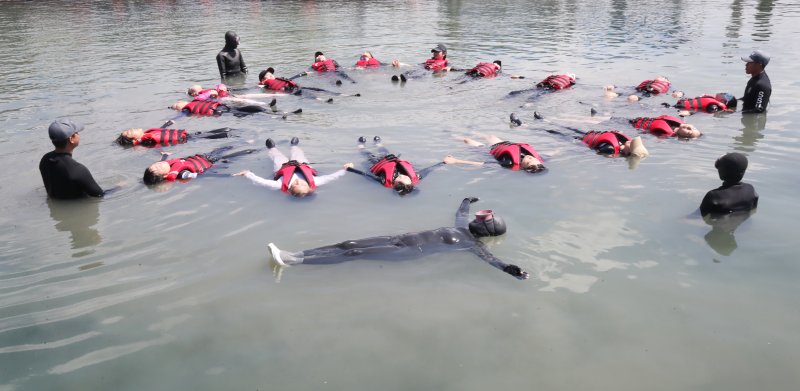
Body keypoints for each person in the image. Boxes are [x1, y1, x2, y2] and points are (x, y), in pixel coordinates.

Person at [266, 197, 530, 280]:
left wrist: (511, 269)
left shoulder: (473, 245)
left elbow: (492, 260)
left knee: (353, 254)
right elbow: (461, 213)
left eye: (482, 219)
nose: (476, 218)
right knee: (348, 244)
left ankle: (294, 263)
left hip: (405, 252)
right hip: (398, 239)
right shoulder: (462, 227)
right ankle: (297, 253)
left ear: (487, 229)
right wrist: (466, 201)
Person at [234, 137, 352, 197]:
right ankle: (294, 146)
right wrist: (345, 169)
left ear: (290, 189)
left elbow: (262, 182)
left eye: (296, 185)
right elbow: (332, 177)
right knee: (298, 154)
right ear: (309, 187)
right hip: (301, 165)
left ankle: (272, 148)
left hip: (282, 168)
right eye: (303, 184)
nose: (298, 181)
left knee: (277, 157)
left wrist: (248, 174)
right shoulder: (316, 181)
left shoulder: (279, 185)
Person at [346, 136, 458, 195]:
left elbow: (366, 175)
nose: (402, 176)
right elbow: (429, 170)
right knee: (387, 153)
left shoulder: (384, 181)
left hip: (376, 164)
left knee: (367, 155)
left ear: (394, 185)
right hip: (390, 160)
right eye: (405, 178)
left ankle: (361, 146)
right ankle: (378, 144)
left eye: (399, 180)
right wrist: (444, 162)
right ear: (411, 182)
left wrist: (350, 168)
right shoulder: (416, 178)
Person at [510, 112, 648, 157]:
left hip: (580, 140)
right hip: (590, 134)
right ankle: (544, 119)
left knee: (554, 132)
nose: (631, 141)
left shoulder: (610, 149)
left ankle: (522, 125)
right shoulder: (623, 141)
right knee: (566, 126)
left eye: (632, 144)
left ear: (628, 151)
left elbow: (594, 151)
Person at [40, 119, 115, 199]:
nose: (79, 134)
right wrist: (119, 186)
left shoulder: (45, 160)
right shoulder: (77, 170)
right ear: (71, 139)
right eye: (76, 133)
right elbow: (100, 195)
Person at [142, 146, 256, 185]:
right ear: (164, 176)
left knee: (227, 147)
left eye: (154, 165)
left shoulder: (166, 164)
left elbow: (162, 161)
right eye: (158, 168)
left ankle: (247, 141)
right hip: (214, 164)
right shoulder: (183, 174)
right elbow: (204, 176)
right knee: (242, 153)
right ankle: (256, 150)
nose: (158, 165)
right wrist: (233, 175)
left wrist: (164, 155)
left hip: (206, 157)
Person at [456, 134, 546, 173]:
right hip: (503, 144)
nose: (530, 157)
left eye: (528, 162)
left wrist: (456, 161)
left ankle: (453, 136)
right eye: (534, 159)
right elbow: (549, 154)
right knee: (491, 136)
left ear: (522, 167)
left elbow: (483, 164)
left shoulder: (508, 163)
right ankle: (473, 132)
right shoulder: (538, 159)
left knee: (467, 140)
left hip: (489, 150)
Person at [116, 123, 233, 147]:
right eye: (129, 132)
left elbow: (161, 132)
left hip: (190, 135)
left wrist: (167, 124)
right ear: (134, 139)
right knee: (225, 135)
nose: (132, 129)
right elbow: (157, 146)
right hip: (188, 139)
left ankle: (235, 133)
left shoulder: (148, 134)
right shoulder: (146, 141)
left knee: (226, 129)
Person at [507, 73, 576, 100]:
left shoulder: (558, 75)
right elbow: (568, 86)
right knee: (541, 94)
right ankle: (530, 102)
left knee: (528, 90)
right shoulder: (571, 80)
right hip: (555, 86)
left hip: (547, 83)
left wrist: (539, 84)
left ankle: (511, 94)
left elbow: (548, 78)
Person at [629, 115, 701, 138]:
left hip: (631, 126)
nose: (690, 128)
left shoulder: (664, 134)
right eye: (693, 128)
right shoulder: (679, 122)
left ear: (681, 137)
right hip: (634, 119)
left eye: (689, 132)